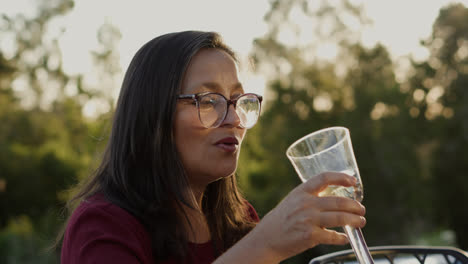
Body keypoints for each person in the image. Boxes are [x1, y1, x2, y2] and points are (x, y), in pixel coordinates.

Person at [59, 31, 366, 264]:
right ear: (153, 116)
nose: (234, 119)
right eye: (208, 101)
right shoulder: (103, 226)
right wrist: (263, 246)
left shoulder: (238, 221)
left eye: (239, 101)